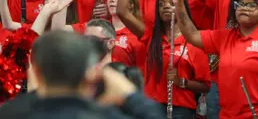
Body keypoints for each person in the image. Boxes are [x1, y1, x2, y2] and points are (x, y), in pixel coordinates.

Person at [117, 0, 211, 117]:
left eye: (171, 3)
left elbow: (206, 86)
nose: (166, 6)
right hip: (152, 107)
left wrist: (182, 82)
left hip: (182, 110)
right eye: (161, 4)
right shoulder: (151, 36)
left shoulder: (194, 41)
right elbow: (122, 12)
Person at [177, 0, 258, 119]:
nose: (243, 8)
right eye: (240, 4)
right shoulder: (225, 37)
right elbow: (191, 35)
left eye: (251, 5)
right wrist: (180, 4)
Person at [23, 31, 160, 119]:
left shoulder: (10, 113)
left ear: (35, 72)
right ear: (89, 74)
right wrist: (131, 96)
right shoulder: (104, 116)